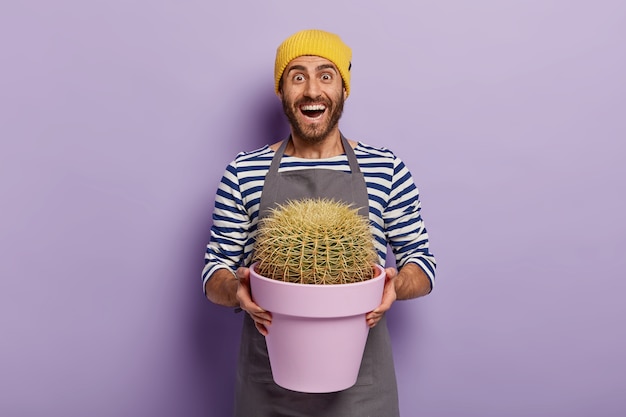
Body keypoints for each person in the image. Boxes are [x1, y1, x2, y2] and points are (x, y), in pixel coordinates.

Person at [203, 29, 436, 417]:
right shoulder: (244, 171)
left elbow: (423, 265)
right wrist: (237, 292)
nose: (312, 90)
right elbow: (214, 274)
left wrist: (398, 284)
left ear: (344, 88)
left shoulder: (386, 168)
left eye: (326, 75)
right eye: (298, 76)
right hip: (267, 386)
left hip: (363, 392)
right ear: (281, 91)